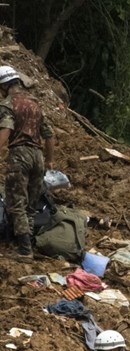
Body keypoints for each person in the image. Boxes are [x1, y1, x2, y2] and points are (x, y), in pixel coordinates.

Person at [0, 66, 55, 258]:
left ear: (5, 86)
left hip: (20, 155)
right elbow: (48, 135)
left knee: (16, 203)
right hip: (38, 157)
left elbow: (6, 130)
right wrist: (49, 160)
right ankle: (29, 244)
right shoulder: (35, 104)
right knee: (30, 205)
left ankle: (24, 251)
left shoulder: (8, 104)